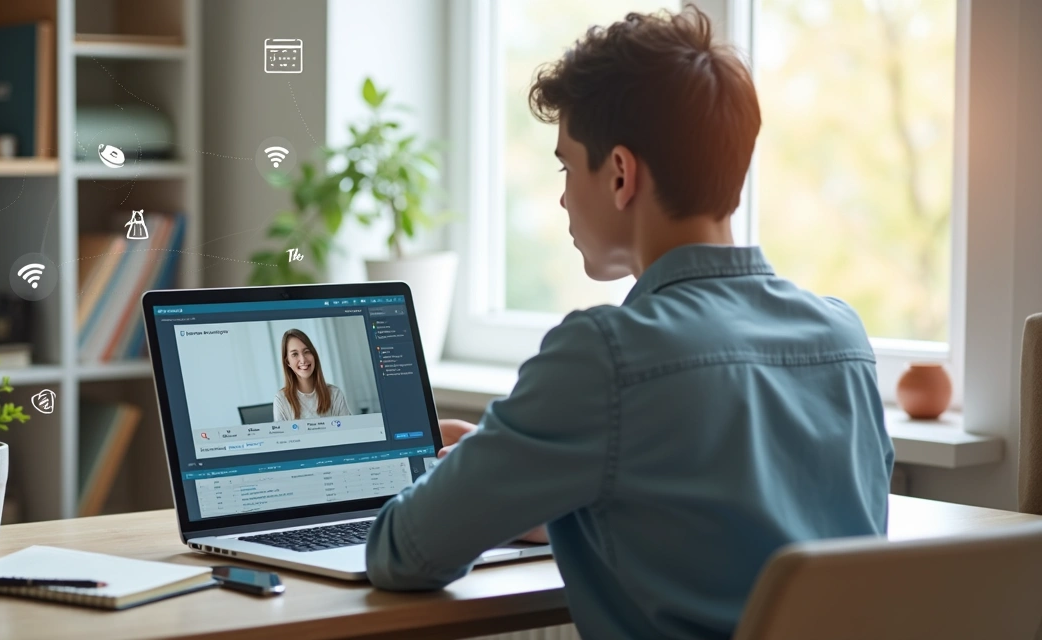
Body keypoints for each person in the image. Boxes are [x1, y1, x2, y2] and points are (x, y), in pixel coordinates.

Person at [364, 6, 894, 639]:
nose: (562, 196)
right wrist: (534, 490)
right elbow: (711, 526)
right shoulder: (843, 339)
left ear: (620, 173)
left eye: (566, 166)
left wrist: (460, 471)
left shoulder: (605, 356)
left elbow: (402, 552)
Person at [273, 328, 352, 421]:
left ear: (314, 355)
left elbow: (349, 432)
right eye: (295, 354)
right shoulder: (281, 399)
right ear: (287, 362)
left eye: (306, 351)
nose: (303, 360)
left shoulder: (335, 394)